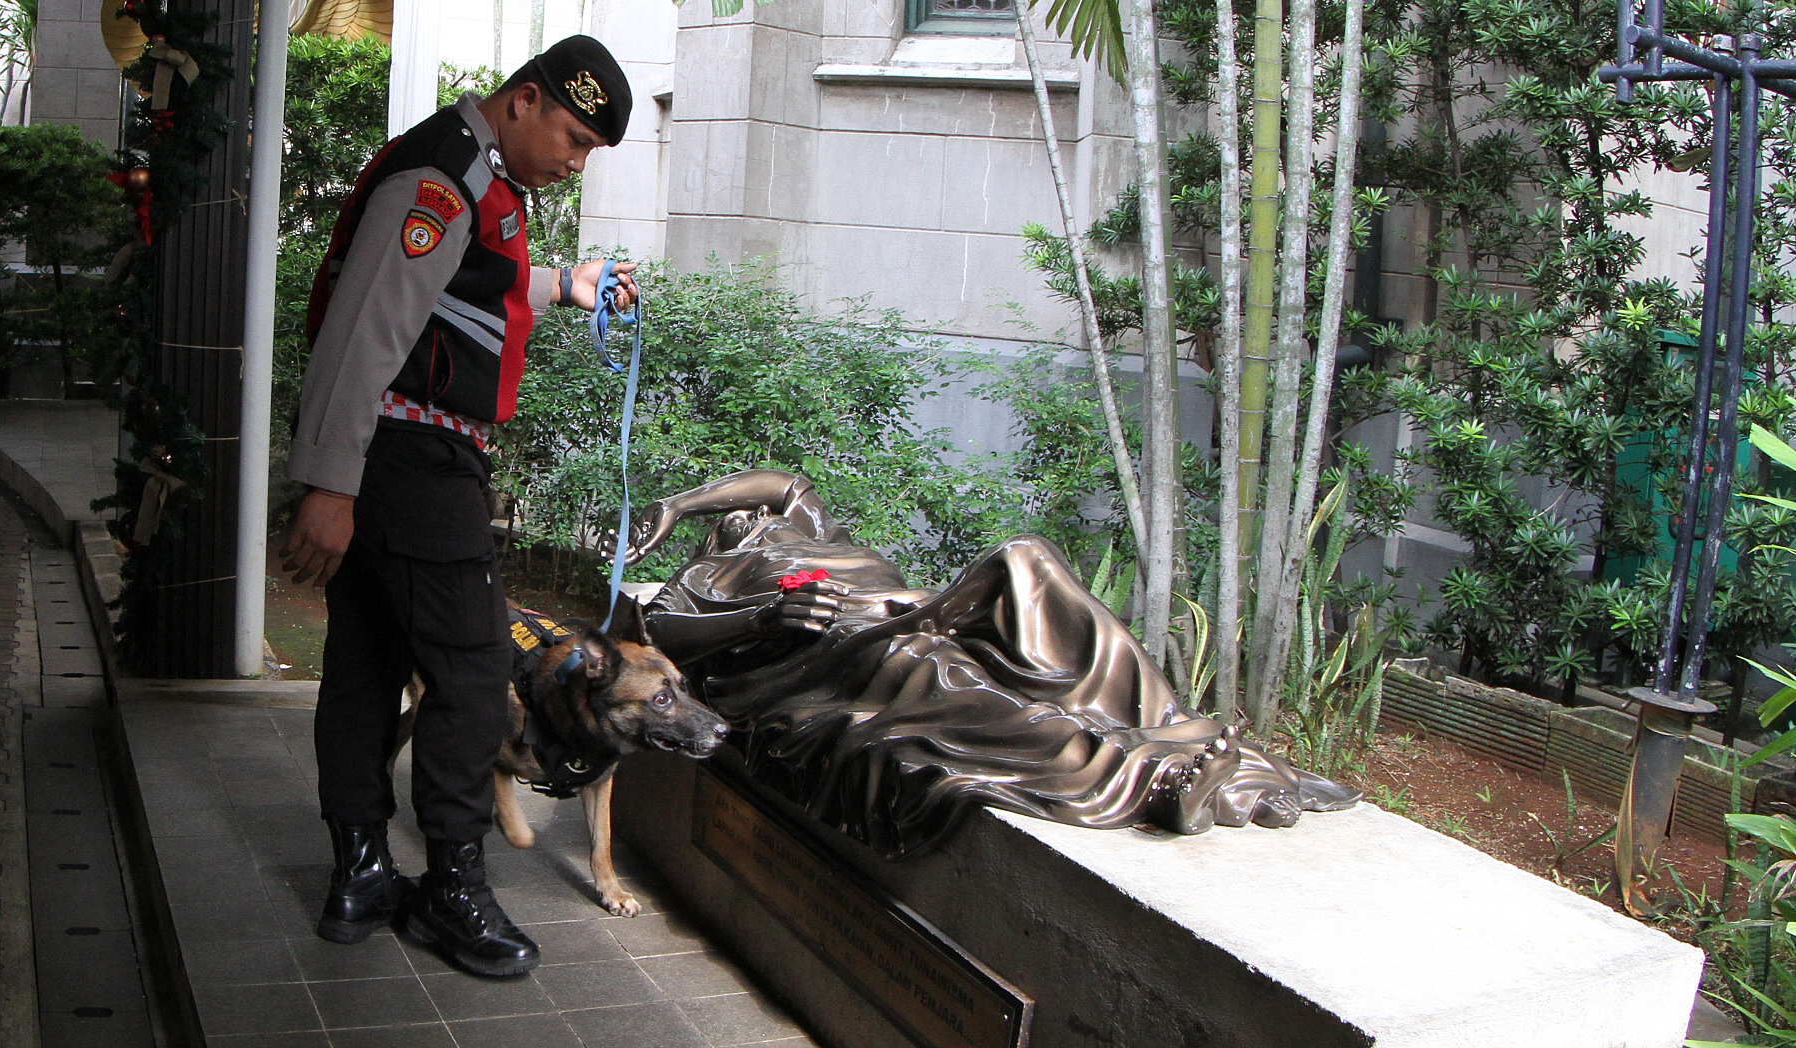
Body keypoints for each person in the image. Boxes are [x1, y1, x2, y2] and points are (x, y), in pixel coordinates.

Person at [279, 35, 635, 977]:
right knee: (477, 675)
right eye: (573, 134)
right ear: (523, 101)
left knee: (366, 660)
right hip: (411, 458)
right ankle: (451, 888)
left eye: (591, 150)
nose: (575, 159)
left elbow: (467, 295)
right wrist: (328, 483)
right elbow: (366, 329)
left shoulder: (480, 180)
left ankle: (359, 874)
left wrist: (570, 286)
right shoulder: (442, 176)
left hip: (399, 456)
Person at [626, 470, 1360, 859]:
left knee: (1028, 563)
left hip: (925, 610)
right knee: (940, 676)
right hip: (833, 654)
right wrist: (763, 615)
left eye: (752, 513)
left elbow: (781, 482)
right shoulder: (708, 579)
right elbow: (667, 641)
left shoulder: (812, 530)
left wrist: (677, 501)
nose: (750, 517)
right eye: (736, 520)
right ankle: (1144, 777)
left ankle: (1167, 729)